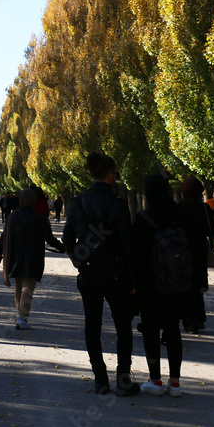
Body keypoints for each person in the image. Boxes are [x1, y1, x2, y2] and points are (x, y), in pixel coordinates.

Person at [63, 151, 139, 396]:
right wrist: (133, 279)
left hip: (89, 273)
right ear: (109, 176)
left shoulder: (78, 203)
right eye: (116, 173)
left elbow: (67, 238)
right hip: (116, 274)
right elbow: (128, 246)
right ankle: (123, 380)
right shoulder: (117, 204)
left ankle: (100, 379)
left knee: (92, 325)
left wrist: (78, 260)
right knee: (123, 327)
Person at [133, 174, 190, 397]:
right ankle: (175, 383)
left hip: (150, 284)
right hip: (177, 283)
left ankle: (155, 380)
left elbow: (136, 256)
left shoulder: (144, 219)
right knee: (173, 329)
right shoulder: (180, 215)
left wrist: (135, 285)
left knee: (151, 330)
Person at [0, 188, 66, 329]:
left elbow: (4, 237)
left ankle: (20, 316)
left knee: (19, 286)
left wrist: (0, 253)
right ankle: (21, 318)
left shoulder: (12, 216)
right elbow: (50, 239)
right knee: (28, 287)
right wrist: (63, 248)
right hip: (32, 258)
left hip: (15, 258)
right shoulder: (39, 218)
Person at [180, 177, 214, 333]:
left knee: (184, 285)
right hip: (199, 251)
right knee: (197, 285)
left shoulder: (179, 208)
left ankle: (188, 320)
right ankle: (198, 318)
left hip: (182, 251)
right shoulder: (205, 208)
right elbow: (212, 230)